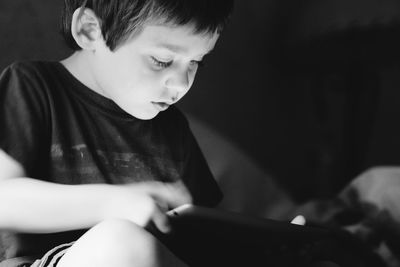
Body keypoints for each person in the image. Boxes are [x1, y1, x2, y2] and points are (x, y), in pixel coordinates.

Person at [0, 0, 234, 266]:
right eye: (162, 60)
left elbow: (210, 236)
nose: (182, 83)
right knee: (121, 242)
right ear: (90, 30)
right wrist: (111, 204)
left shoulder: (173, 129)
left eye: (196, 63)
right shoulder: (32, 88)